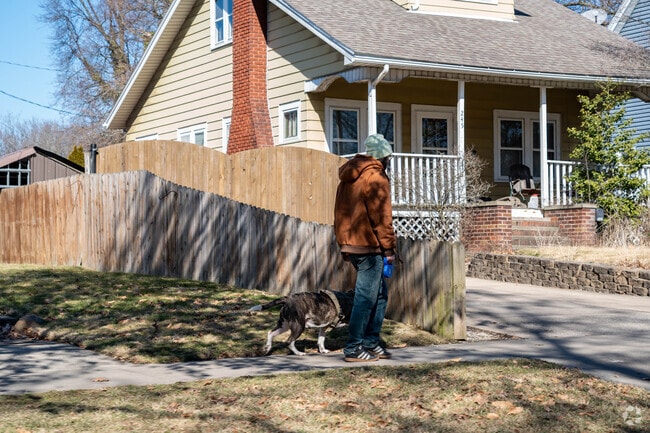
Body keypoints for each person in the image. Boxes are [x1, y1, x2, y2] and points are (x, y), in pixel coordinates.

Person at [334, 133, 397, 362]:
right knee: (366, 297)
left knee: (379, 295)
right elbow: (382, 217)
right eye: (388, 156)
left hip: (352, 243)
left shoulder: (348, 176)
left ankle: (371, 341)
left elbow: (339, 214)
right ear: (383, 156)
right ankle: (354, 347)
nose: (389, 160)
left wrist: (343, 242)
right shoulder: (376, 176)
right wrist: (389, 248)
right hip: (368, 245)